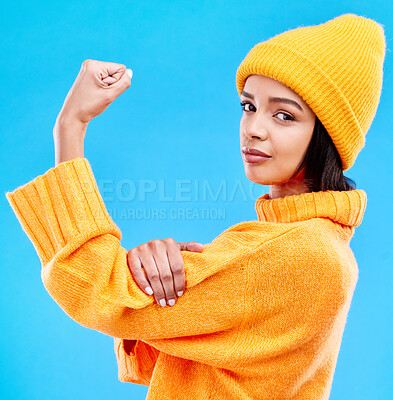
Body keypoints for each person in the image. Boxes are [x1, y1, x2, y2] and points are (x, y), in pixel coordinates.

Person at [5, 13, 386, 400]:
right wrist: (160, 279)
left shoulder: (300, 254)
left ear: (327, 136)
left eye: (284, 115)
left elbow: (94, 285)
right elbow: (168, 364)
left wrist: (70, 125)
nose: (253, 127)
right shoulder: (310, 247)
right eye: (249, 106)